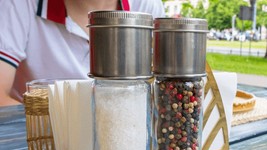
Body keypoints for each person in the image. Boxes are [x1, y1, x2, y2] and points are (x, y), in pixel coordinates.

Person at [0, 0, 165, 106]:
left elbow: (160, 93)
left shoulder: (146, 7)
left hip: (124, 138)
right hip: (40, 144)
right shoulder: (17, 4)